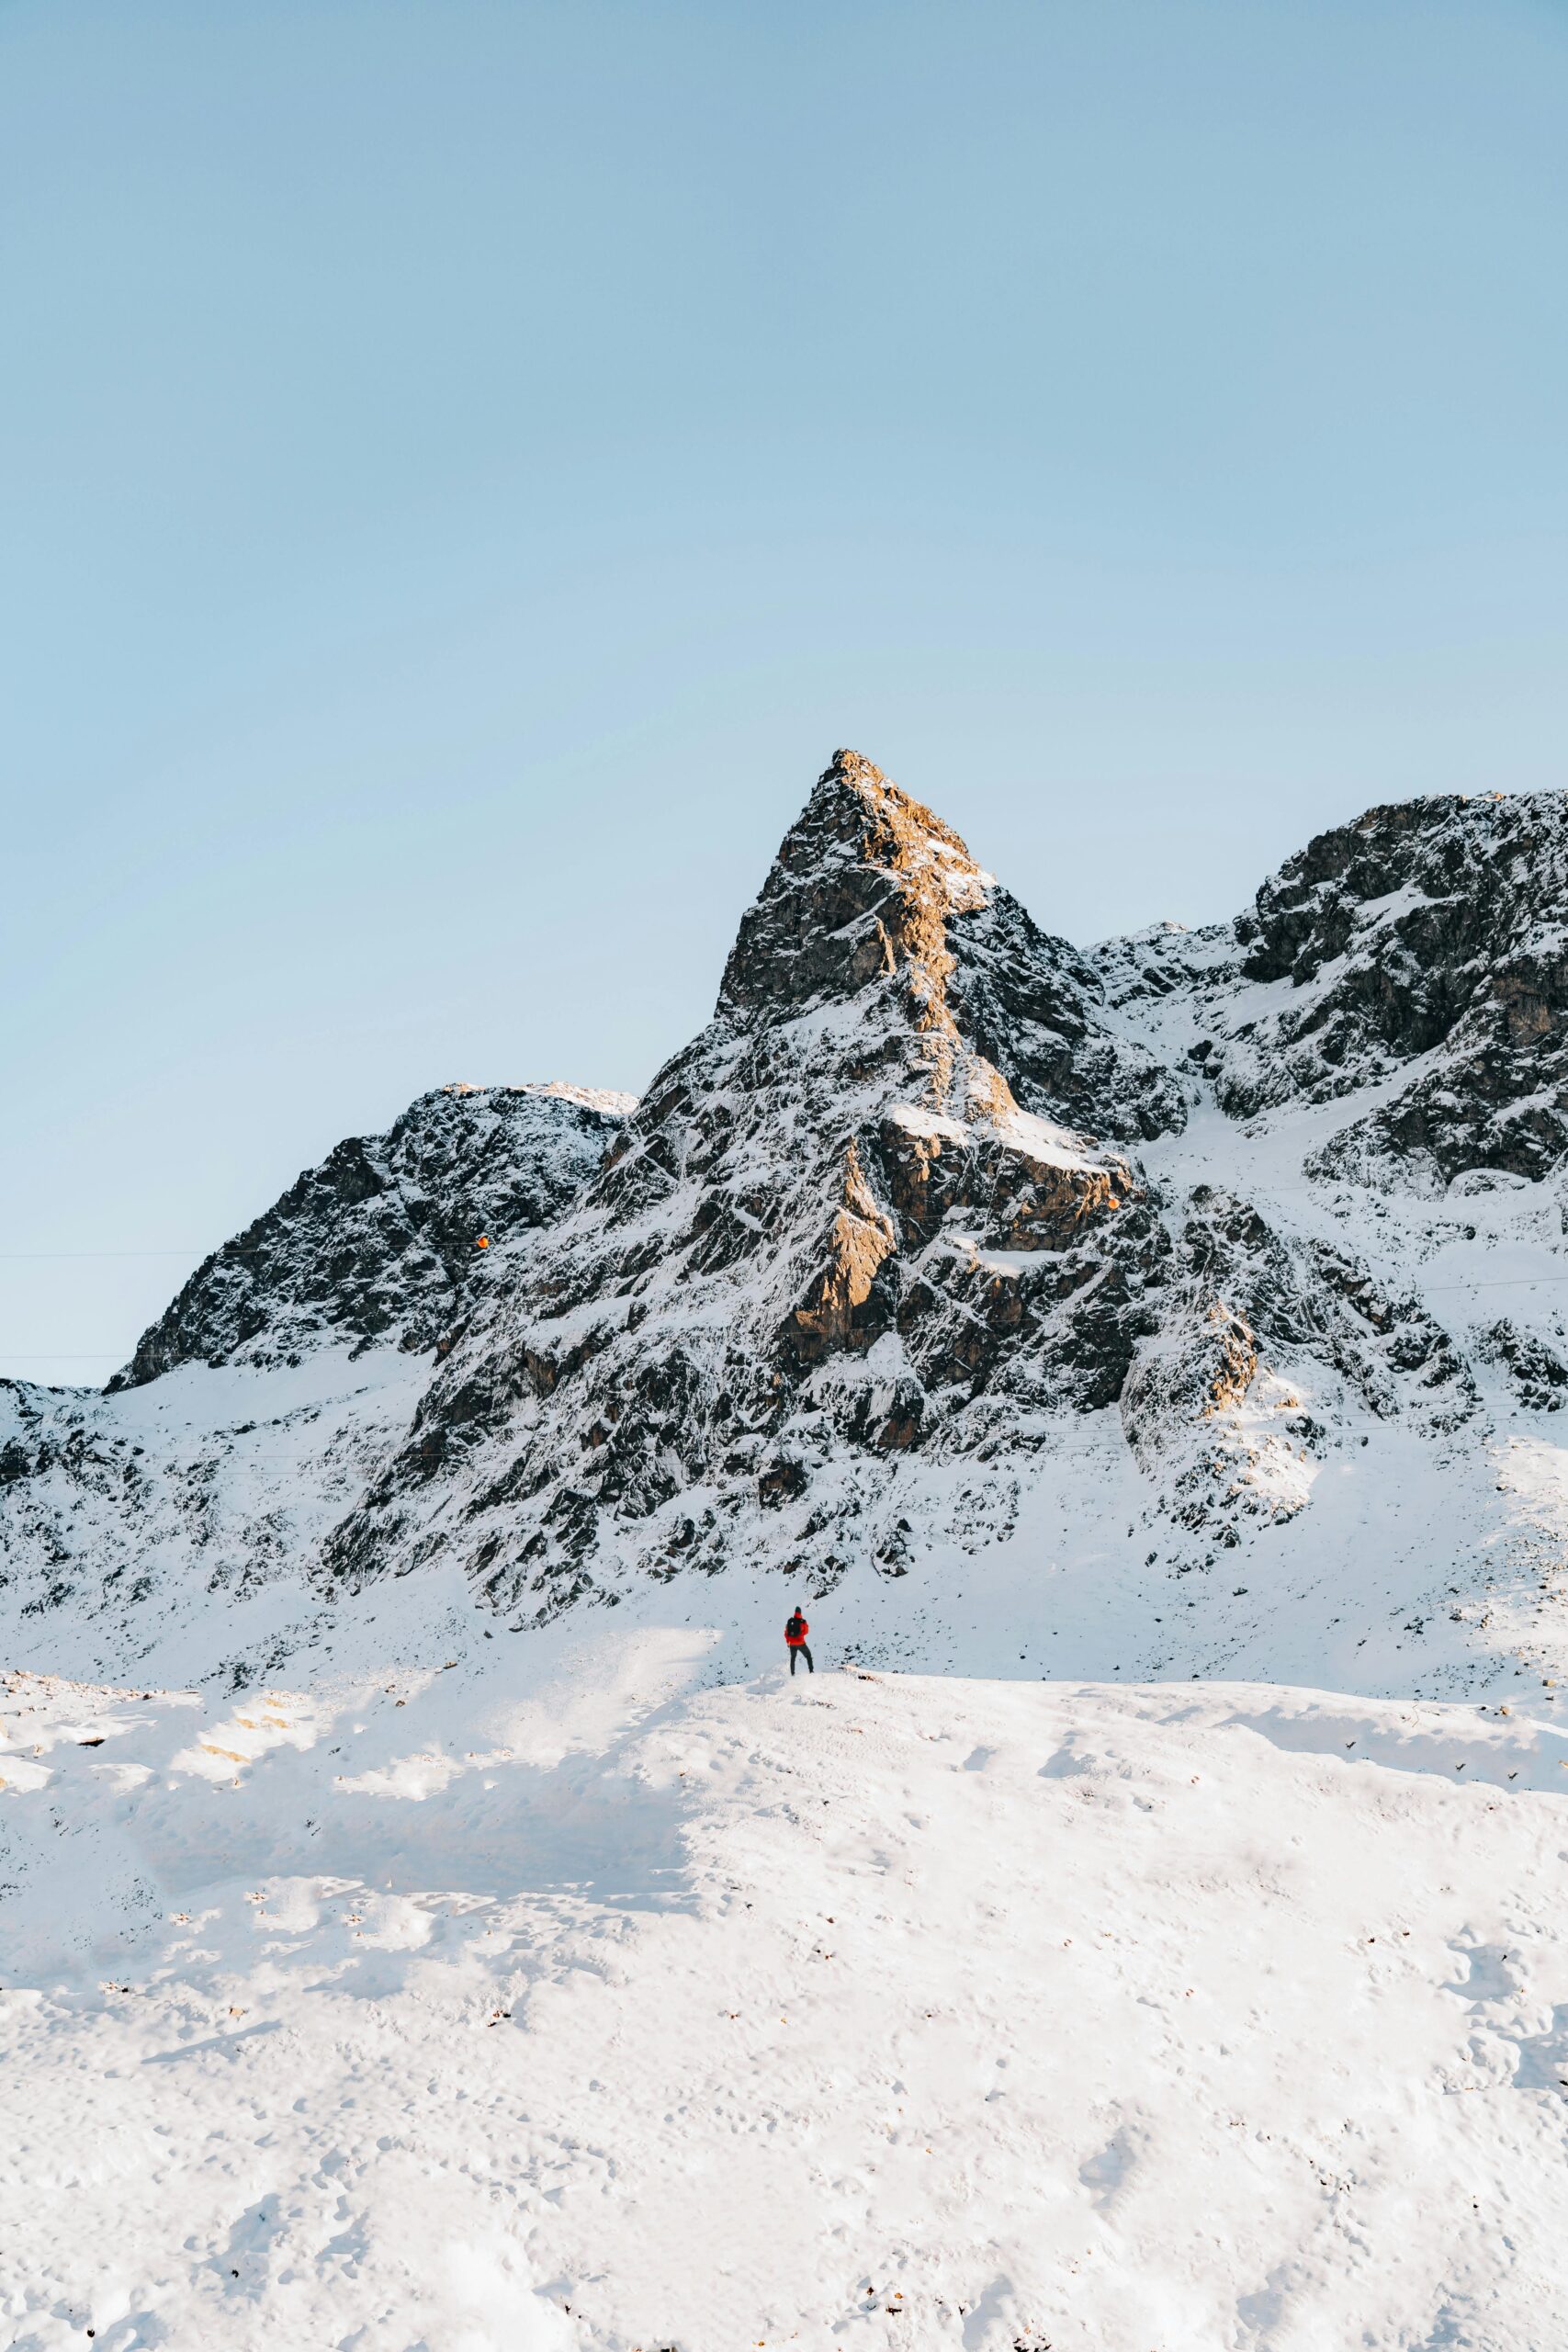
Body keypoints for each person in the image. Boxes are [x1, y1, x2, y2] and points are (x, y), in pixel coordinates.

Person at [785, 1608, 813, 1675]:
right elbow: (806, 1632)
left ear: (795, 1612)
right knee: (808, 1655)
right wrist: (800, 1634)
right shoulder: (803, 1622)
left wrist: (788, 1642)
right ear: (800, 1613)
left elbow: (786, 1633)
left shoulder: (790, 1621)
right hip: (801, 1643)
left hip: (791, 1643)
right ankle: (811, 1671)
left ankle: (792, 1674)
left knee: (793, 1658)